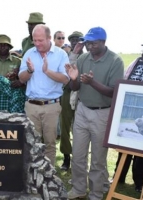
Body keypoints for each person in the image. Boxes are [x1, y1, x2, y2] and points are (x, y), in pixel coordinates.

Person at [65, 27, 124, 200]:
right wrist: (74, 79)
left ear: (103, 42)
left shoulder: (115, 61)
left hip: (102, 113)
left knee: (98, 158)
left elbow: (113, 92)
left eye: (94, 43)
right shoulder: (83, 58)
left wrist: (92, 82)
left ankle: (97, 193)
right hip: (82, 111)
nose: (89, 46)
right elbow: (74, 87)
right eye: (88, 43)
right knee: (78, 154)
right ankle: (78, 189)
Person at [112, 39, 143, 193]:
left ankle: (139, 183)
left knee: (142, 151)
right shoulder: (135, 63)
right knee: (123, 146)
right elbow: (124, 80)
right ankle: (118, 177)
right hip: (130, 108)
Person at [19, 24, 70, 166]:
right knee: (31, 143)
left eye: (40, 40)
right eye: (35, 40)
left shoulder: (61, 54)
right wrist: (29, 71)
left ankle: (48, 177)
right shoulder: (29, 53)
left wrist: (47, 71)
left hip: (51, 106)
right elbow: (21, 79)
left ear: (49, 38)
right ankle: (32, 175)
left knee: (49, 144)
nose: (37, 43)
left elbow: (65, 79)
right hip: (32, 106)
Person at [59, 31, 83, 171]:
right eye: (72, 40)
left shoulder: (88, 56)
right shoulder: (66, 56)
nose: (75, 42)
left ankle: (78, 158)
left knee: (79, 128)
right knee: (65, 127)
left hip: (82, 94)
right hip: (67, 93)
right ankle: (66, 157)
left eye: (78, 40)